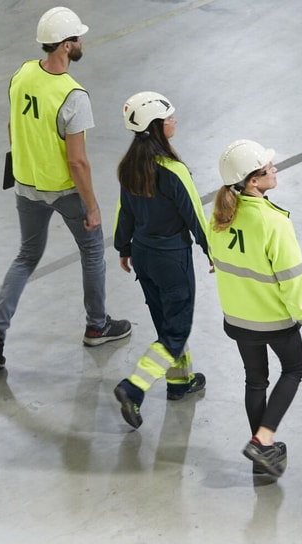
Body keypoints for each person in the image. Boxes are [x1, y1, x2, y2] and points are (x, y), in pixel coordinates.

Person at [0, 6, 131, 369]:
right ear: (64, 46)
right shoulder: (72, 95)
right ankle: (97, 326)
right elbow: (77, 162)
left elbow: (13, 128)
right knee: (92, 251)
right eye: (77, 38)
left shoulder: (22, 75)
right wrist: (92, 206)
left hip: (26, 186)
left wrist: (27, 164)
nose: (81, 42)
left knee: (26, 256)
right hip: (63, 190)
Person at [207, 139, 302, 477]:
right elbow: (293, 279)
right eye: (267, 168)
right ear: (253, 181)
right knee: (293, 370)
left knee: (255, 380)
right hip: (273, 319)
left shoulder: (219, 217)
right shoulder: (273, 223)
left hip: (238, 318)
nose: (274, 170)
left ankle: (263, 452)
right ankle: (263, 440)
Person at [110, 92, 210, 430]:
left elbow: (125, 212)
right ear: (156, 126)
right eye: (169, 117)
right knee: (176, 329)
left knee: (166, 323)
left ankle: (180, 381)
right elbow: (194, 213)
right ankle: (134, 387)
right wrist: (213, 251)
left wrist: (123, 247)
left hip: (143, 256)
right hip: (171, 259)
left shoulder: (130, 167)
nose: (175, 121)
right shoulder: (173, 170)